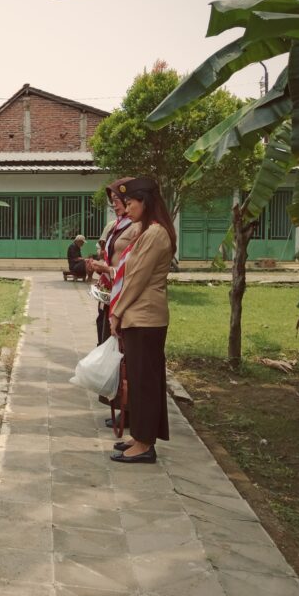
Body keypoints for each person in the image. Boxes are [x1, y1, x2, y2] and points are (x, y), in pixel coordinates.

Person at [103, 176, 176, 464]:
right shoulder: (145, 232)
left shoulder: (156, 234)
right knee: (138, 378)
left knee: (144, 382)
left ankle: (145, 445)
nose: (127, 208)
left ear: (145, 203)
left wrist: (117, 312)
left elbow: (136, 279)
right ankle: (140, 436)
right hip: (139, 317)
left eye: (131, 203)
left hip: (145, 317)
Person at [90, 177, 139, 344]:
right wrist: (101, 267)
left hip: (124, 293)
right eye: (112, 201)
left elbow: (134, 265)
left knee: (117, 343)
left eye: (117, 200)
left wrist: (108, 269)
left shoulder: (137, 228)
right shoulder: (114, 225)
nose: (114, 205)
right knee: (102, 334)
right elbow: (108, 252)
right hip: (109, 290)